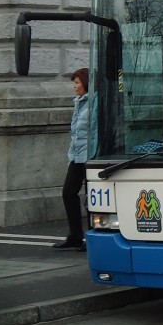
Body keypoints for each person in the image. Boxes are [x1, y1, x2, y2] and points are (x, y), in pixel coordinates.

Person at [53, 67, 90, 251]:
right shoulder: (79, 102)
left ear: (86, 83)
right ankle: (75, 236)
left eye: (77, 83)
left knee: (92, 198)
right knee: (68, 192)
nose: (74, 87)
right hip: (77, 156)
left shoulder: (96, 103)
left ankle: (93, 236)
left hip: (90, 156)